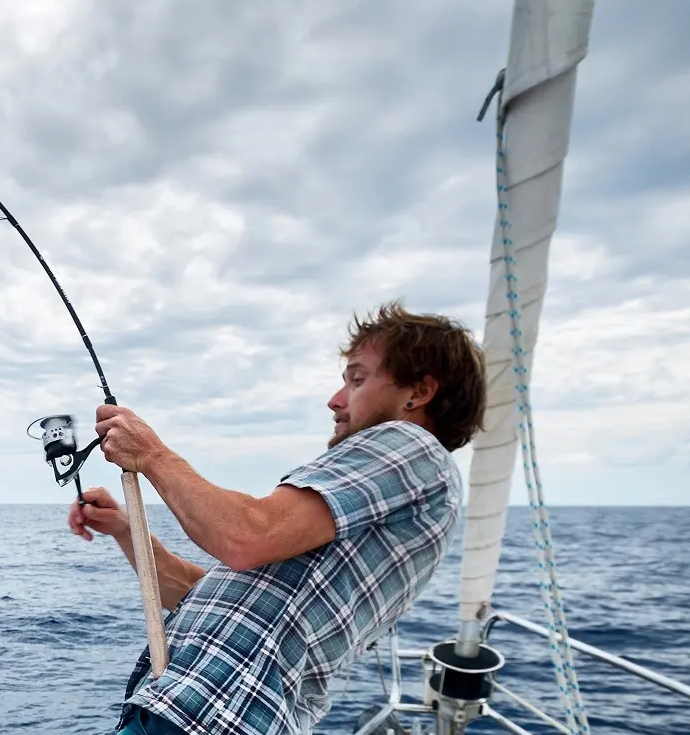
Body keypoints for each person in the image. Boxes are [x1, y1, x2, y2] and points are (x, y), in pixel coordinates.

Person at [68, 300, 487, 735]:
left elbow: (248, 536)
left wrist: (151, 454)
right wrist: (124, 528)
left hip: (214, 715)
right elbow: (196, 592)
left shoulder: (409, 445)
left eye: (357, 379)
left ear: (418, 392)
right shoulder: (396, 484)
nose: (335, 400)